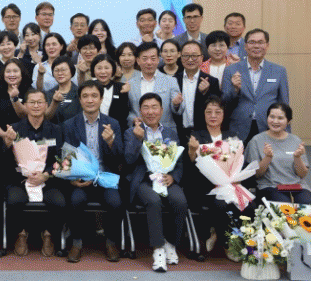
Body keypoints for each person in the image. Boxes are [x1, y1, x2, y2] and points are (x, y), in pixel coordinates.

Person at [61, 81, 124, 263]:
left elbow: (119, 159)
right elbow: (66, 156)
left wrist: (111, 143)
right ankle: (77, 242)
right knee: (75, 200)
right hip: (81, 178)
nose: (90, 100)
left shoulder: (112, 124)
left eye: (94, 96)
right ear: (80, 100)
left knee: (116, 202)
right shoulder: (69, 124)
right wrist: (72, 179)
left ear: (101, 99)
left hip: (105, 176)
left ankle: (111, 242)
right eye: (85, 96)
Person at [124, 93, 187, 273]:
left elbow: (179, 161)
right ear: (140, 111)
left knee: (180, 201)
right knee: (153, 201)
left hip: (166, 178)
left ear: (161, 110)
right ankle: (158, 249)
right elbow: (128, 160)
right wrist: (138, 139)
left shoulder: (170, 132)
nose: (150, 112)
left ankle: (170, 243)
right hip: (143, 179)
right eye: (146, 107)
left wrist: (173, 177)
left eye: (154, 107)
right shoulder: (131, 132)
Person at [2, 89, 65, 257]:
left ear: (46, 105)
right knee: (14, 201)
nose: (36, 106)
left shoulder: (56, 129)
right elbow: (5, 162)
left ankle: (48, 234)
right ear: (25, 105)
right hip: (20, 180)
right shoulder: (15, 129)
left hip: (48, 181)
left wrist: (46, 175)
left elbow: (61, 159)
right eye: (32, 102)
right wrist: (7, 143)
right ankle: (21, 233)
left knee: (59, 202)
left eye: (40, 102)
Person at [185, 96, 244, 256]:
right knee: (221, 204)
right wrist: (192, 151)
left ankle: (219, 234)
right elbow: (190, 167)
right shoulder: (195, 135)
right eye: (209, 112)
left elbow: (237, 162)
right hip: (205, 187)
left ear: (224, 114)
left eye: (217, 112)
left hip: (230, 185)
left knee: (248, 205)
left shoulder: (232, 135)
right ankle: (227, 244)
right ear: (203, 114)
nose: (213, 116)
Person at [222, 29, 289, 144]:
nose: (256, 46)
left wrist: (286, 134)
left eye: (260, 42)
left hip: (268, 127)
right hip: (238, 128)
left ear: (267, 46)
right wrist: (235, 89)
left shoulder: (279, 71)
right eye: (252, 42)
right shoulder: (231, 70)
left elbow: (284, 104)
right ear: (245, 46)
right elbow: (224, 102)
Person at [245, 103, 310, 204]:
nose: (275, 121)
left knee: (307, 203)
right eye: (272, 117)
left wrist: (297, 157)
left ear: (288, 121)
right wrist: (267, 157)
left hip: (297, 186)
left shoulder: (296, 140)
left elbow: (302, 174)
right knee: (283, 206)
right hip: (270, 186)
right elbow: (256, 175)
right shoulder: (256, 140)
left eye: (280, 118)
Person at [127, 42, 183, 130]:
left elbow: (179, 110)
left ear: (158, 59)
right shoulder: (130, 83)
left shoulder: (171, 81)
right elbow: (128, 111)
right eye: (145, 59)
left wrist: (176, 104)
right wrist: (133, 119)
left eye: (153, 58)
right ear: (138, 60)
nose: (149, 62)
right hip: (139, 131)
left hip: (165, 131)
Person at [174, 41, 221, 145]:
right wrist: (175, 105)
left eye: (194, 56)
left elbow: (216, 109)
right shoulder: (173, 80)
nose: (190, 59)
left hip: (203, 134)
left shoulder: (212, 81)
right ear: (181, 57)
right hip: (178, 134)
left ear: (201, 58)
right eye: (186, 56)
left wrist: (205, 93)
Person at [0, 58, 31, 144]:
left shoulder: (29, 92)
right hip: (1, 139)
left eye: (15, 71)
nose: (12, 74)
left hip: (25, 138)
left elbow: (26, 115)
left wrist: (15, 99)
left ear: (22, 73)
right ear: (3, 74)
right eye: (8, 71)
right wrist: (4, 134)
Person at [91, 54, 130, 133]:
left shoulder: (121, 88)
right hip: (92, 131)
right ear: (93, 70)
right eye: (99, 68)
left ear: (113, 69)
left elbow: (124, 114)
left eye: (107, 68)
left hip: (116, 131)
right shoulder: (88, 87)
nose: (103, 72)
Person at [45, 56, 81, 124]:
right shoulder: (48, 94)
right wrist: (54, 103)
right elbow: (46, 117)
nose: (60, 73)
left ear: (71, 71)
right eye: (56, 70)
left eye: (63, 70)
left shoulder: (79, 93)